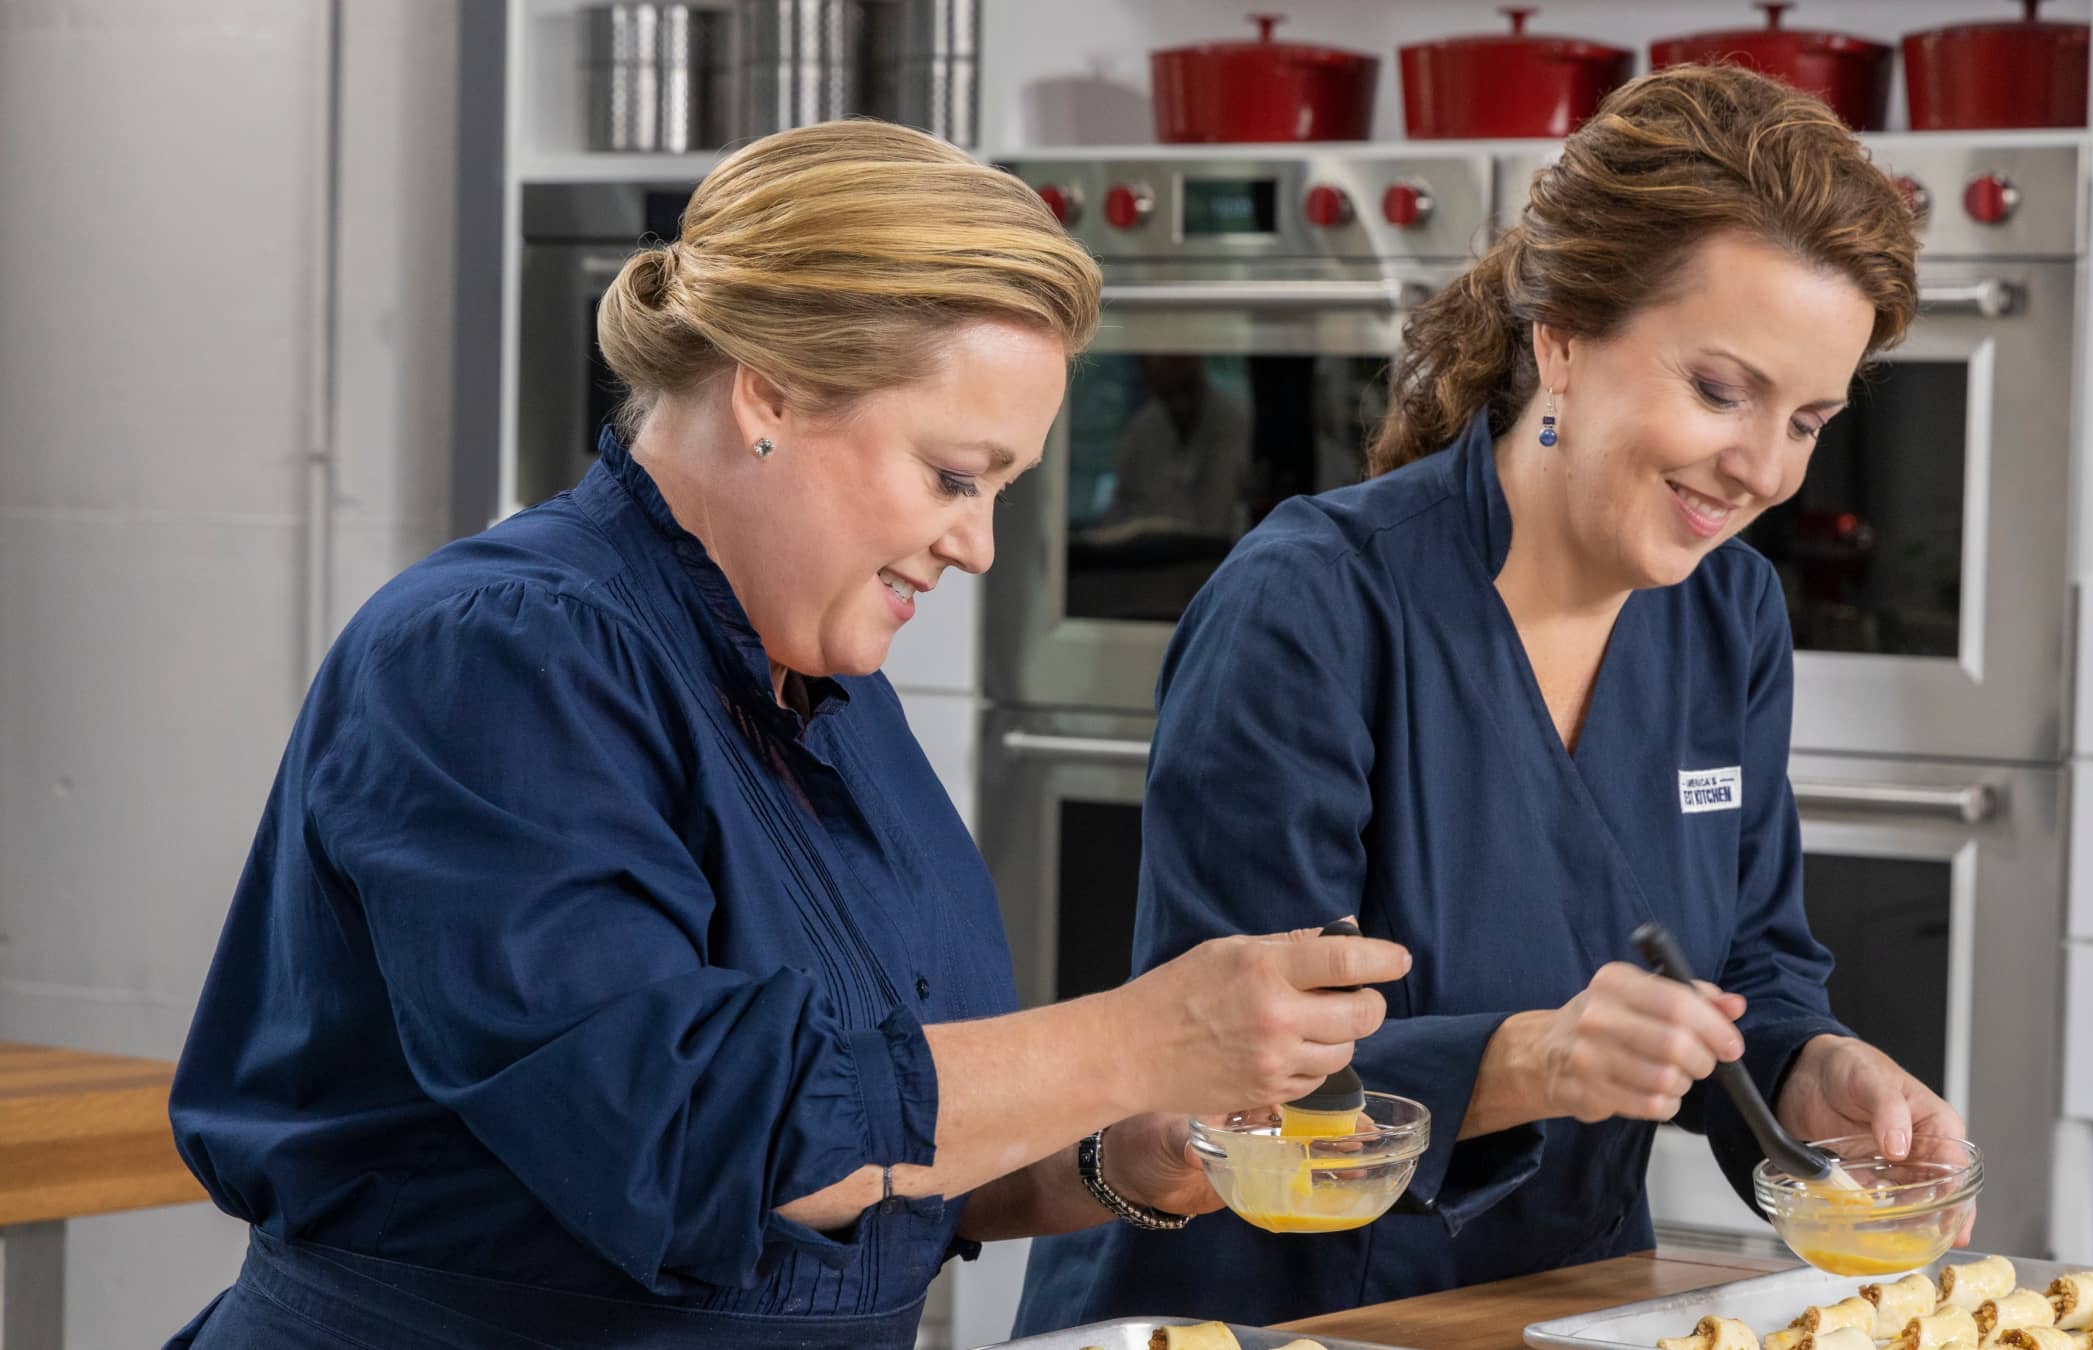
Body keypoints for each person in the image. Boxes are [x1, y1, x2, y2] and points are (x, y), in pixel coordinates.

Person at [166, 121, 1408, 1350]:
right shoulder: (497, 655)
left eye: (1004, 491)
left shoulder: (826, 681)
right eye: (953, 475)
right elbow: (683, 1145)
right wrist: (1148, 1034)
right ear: (770, 394)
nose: (975, 544)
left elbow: (876, 1153)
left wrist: (1115, 1156)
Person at [1016, 64, 1961, 1333]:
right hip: (1267, 1311)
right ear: (1560, 336)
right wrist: (1539, 1060)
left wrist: (1808, 1074)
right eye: (1721, 391)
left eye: (1808, 419)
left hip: (1566, 1299)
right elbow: (1229, 1069)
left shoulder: (1728, 616)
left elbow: (1752, 968)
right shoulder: (1311, 607)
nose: (1760, 468)